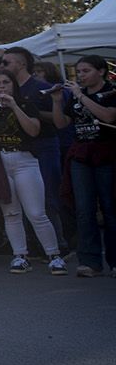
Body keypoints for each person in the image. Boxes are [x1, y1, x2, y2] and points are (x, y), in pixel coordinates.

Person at [0, 70, 66, 275]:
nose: (2, 86)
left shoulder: (26, 105)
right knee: (11, 213)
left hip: (25, 160)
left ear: (13, 85)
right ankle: (19, 256)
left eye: (6, 82)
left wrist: (13, 105)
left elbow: (33, 130)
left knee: (36, 212)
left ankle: (54, 255)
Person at [51, 55, 116, 277]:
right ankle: (89, 261)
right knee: (84, 209)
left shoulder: (110, 91)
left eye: (86, 71)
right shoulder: (75, 97)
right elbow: (61, 123)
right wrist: (58, 101)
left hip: (106, 153)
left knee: (110, 207)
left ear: (101, 71)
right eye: (78, 72)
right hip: (81, 155)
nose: (81, 76)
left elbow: (108, 115)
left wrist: (79, 94)